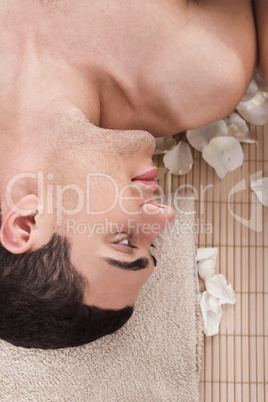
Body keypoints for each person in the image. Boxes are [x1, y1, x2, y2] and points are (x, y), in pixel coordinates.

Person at [0, 0, 265, 349]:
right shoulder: (200, 72)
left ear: (27, 222)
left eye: (125, 242)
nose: (165, 215)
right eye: (149, 244)